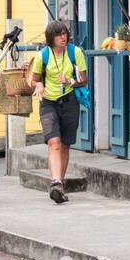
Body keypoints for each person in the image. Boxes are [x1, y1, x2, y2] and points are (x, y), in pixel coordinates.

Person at [30, 20, 87, 204]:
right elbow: (34, 80)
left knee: (65, 144)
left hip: (69, 101)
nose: (63, 37)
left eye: (65, 34)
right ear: (51, 38)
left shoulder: (75, 52)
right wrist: (38, 84)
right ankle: (55, 182)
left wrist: (70, 81)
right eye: (59, 34)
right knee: (53, 142)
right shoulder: (42, 56)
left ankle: (60, 186)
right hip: (48, 102)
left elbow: (83, 80)